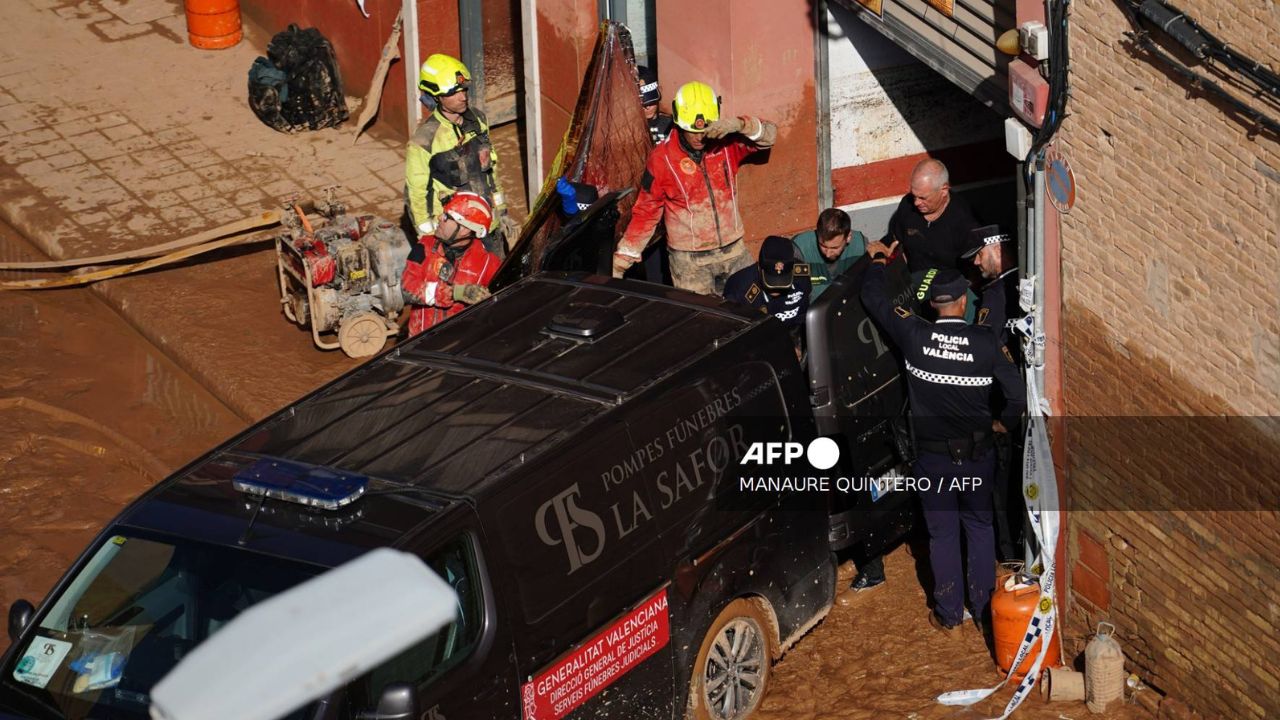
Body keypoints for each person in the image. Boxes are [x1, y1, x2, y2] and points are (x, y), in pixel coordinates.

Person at [860, 239, 1025, 633]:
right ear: (963, 304)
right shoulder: (985, 343)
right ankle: (985, 610)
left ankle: (949, 612)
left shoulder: (914, 336)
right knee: (980, 528)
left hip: (932, 460)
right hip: (977, 456)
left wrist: (879, 261)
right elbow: (1018, 394)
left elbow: (873, 298)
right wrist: (1004, 423)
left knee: (942, 534)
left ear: (933, 304)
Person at [612, 81, 777, 295]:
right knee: (702, 321)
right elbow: (647, 209)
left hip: (734, 250)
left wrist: (740, 125)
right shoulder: (662, 159)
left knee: (749, 310)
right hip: (689, 262)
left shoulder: (727, 144)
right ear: (679, 123)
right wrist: (625, 256)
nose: (700, 137)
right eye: (692, 131)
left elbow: (769, 137)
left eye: (705, 130)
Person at [404, 53, 516, 259]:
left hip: (488, 225)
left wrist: (502, 212)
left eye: (463, 90)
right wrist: (429, 239)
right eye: (454, 93)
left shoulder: (478, 120)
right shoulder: (423, 142)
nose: (463, 97)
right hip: (456, 237)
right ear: (436, 96)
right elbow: (417, 196)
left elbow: (491, 171)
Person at [401, 192, 500, 336]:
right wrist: (454, 293)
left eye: (447, 216)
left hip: (456, 347)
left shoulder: (488, 264)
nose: (440, 218)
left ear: (465, 229)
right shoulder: (425, 246)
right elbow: (406, 289)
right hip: (418, 343)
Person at [885, 159, 980, 275]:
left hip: (949, 287)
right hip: (913, 283)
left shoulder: (964, 219)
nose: (916, 203)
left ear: (944, 190)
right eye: (914, 196)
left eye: (923, 198)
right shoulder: (907, 205)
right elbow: (897, 243)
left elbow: (974, 270)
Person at [723, 235, 811, 333]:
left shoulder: (801, 278)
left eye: (783, 281)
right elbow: (732, 333)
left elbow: (802, 316)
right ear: (759, 268)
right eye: (771, 281)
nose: (776, 289)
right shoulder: (740, 289)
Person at [792, 208, 867, 299]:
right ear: (817, 234)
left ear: (848, 237)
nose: (828, 254)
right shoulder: (800, 250)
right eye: (823, 246)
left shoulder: (861, 247)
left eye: (835, 248)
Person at [636, 65, 674, 145]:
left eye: (651, 102)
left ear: (659, 91)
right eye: (642, 104)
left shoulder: (672, 126)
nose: (647, 107)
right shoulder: (628, 131)